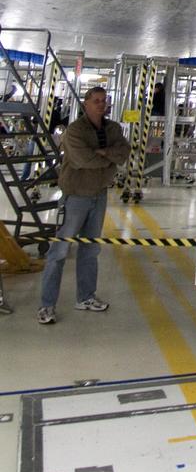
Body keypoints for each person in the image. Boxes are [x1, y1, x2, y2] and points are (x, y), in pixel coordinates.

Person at [37, 86, 130, 325]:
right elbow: (83, 159)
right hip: (76, 195)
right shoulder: (75, 131)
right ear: (86, 103)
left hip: (99, 195)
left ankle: (86, 296)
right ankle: (47, 305)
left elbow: (124, 153)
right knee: (59, 250)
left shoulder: (113, 129)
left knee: (91, 249)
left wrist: (104, 153)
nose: (101, 104)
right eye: (96, 101)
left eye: (104, 101)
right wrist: (107, 157)